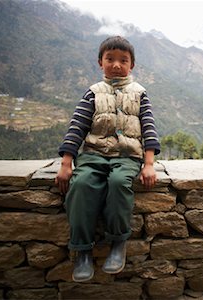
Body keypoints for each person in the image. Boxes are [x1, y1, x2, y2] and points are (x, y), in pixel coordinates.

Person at [55, 36, 160, 282]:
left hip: (127, 156)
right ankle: (81, 250)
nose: (116, 64)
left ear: (131, 65)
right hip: (93, 155)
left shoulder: (140, 94)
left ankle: (117, 243)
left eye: (123, 60)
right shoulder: (93, 93)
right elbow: (77, 128)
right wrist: (66, 164)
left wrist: (148, 164)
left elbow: (149, 130)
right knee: (80, 185)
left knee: (118, 183)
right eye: (110, 59)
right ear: (100, 62)